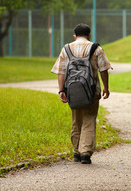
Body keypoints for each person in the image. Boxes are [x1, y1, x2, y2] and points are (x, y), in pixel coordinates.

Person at [51, 23, 111, 164]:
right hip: (92, 91)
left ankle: (76, 152)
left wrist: (61, 90)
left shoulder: (66, 49)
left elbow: (61, 71)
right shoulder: (96, 48)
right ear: (89, 35)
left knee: (76, 121)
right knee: (89, 120)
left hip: (73, 91)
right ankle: (85, 153)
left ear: (75, 36)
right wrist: (106, 88)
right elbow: (104, 70)